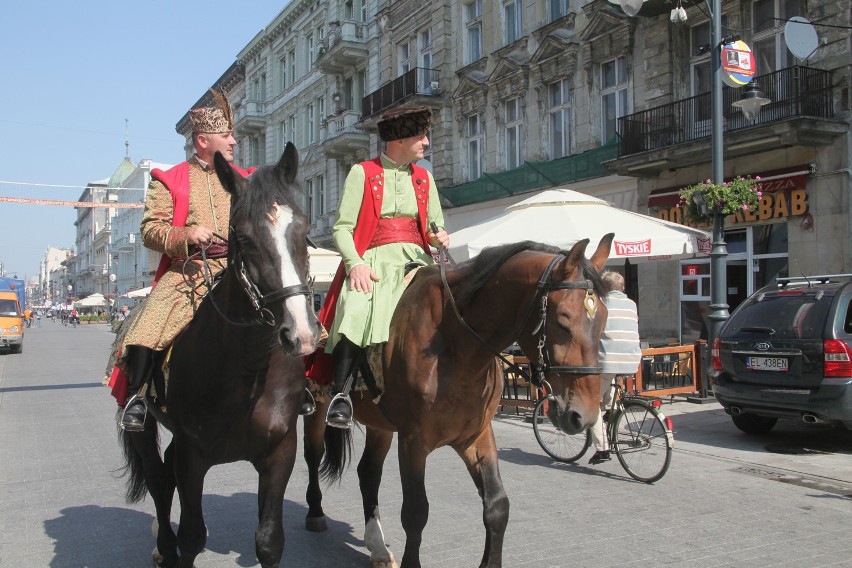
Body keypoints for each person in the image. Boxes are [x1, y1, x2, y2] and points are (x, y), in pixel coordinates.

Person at [109, 89, 256, 432]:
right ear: (203, 141)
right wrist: (185, 235)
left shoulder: (244, 179)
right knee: (151, 321)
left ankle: (302, 387)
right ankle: (137, 398)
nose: (234, 141)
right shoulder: (169, 178)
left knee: (286, 308)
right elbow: (150, 230)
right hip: (192, 269)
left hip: (239, 268)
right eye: (226, 136)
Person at [306, 105, 450, 429]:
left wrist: (440, 236)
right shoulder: (363, 173)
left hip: (417, 260)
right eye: (420, 136)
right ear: (399, 140)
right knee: (354, 308)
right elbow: (342, 227)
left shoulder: (425, 178)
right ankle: (341, 396)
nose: (426, 142)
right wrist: (354, 264)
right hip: (373, 259)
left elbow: (432, 228)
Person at [588, 271, 642, 464]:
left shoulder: (599, 304)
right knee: (608, 379)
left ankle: (602, 449)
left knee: (591, 404)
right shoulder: (632, 304)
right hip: (631, 359)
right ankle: (613, 409)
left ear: (603, 288)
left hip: (608, 360)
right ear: (623, 288)